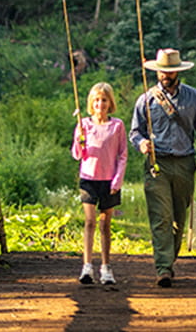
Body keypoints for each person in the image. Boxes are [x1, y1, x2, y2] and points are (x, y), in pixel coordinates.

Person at [130, 48, 196, 287]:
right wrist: (142, 143)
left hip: (185, 164)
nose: (165, 75)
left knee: (178, 218)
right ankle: (163, 268)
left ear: (178, 71)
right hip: (157, 164)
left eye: (169, 71)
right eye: (161, 71)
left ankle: (169, 259)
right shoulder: (146, 99)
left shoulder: (195, 98)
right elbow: (135, 132)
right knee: (161, 217)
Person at [71, 82, 127, 285]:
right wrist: (80, 139)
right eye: (96, 100)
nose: (99, 104)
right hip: (88, 178)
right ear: (90, 103)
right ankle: (87, 266)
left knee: (105, 224)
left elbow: (122, 155)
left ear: (109, 103)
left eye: (103, 100)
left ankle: (106, 267)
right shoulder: (84, 124)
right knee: (90, 221)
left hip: (109, 180)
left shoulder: (117, 125)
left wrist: (118, 179)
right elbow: (77, 154)